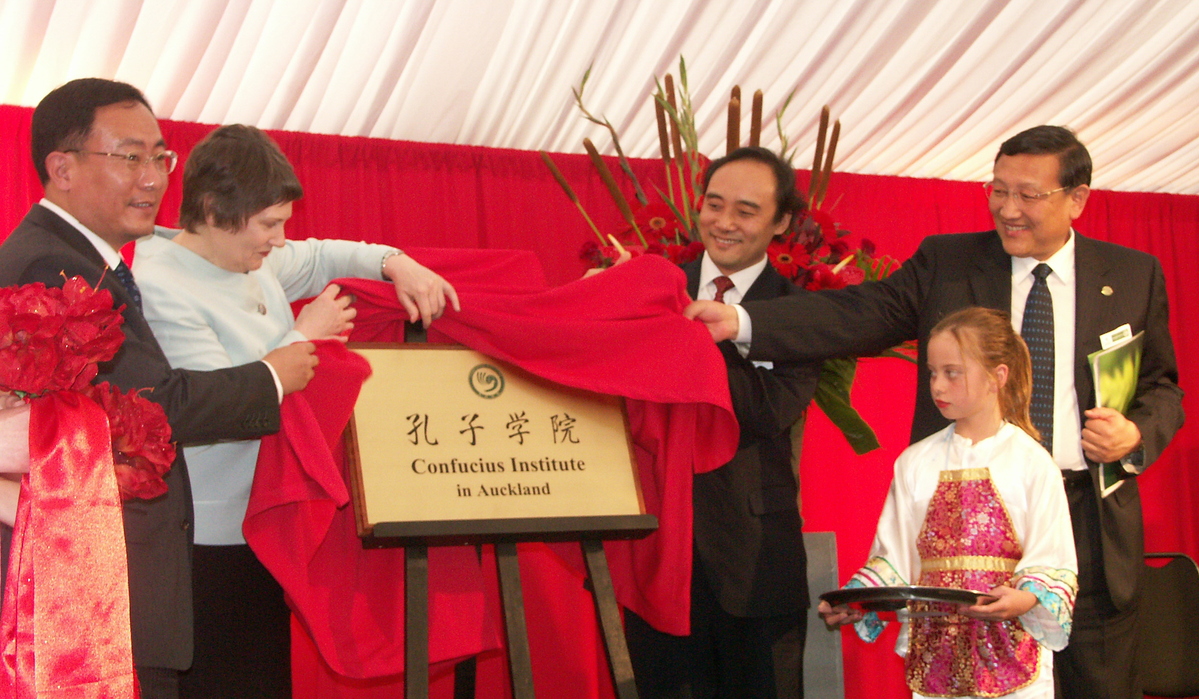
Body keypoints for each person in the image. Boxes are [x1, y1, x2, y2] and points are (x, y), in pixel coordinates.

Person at [685, 125, 1184, 698]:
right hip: (965, 536)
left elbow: (1161, 388)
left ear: (1077, 199)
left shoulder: (1131, 274)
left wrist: (1135, 433)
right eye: (998, 190)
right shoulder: (949, 263)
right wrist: (743, 321)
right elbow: (858, 313)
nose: (1008, 209)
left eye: (1028, 195)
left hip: (1087, 517)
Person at [0, 78, 320, 698]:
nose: (152, 179)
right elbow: (145, 409)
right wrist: (275, 375)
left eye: (160, 158)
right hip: (86, 585)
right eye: (129, 158)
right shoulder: (51, 267)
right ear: (62, 169)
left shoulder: (86, 259)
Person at [132, 123, 459, 698]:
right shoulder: (159, 283)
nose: (280, 240)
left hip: (265, 523)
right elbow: (214, 410)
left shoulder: (247, 259)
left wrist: (396, 262)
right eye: (268, 224)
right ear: (213, 211)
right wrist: (304, 338)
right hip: (204, 540)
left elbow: (324, 255)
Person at [622, 146, 820, 698]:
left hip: (756, 562)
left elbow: (766, 410)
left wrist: (706, 333)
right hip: (656, 553)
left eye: (746, 211)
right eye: (714, 204)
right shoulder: (653, 292)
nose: (724, 222)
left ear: (781, 222)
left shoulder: (800, 313)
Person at [819, 307, 1077, 698]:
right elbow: (894, 558)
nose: (938, 386)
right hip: (935, 653)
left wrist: (1023, 599)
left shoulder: (1032, 462)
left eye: (952, 372)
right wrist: (858, 600)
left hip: (1012, 655)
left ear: (997, 376)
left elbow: (1052, 558)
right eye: (932, 373)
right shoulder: (915, 462)